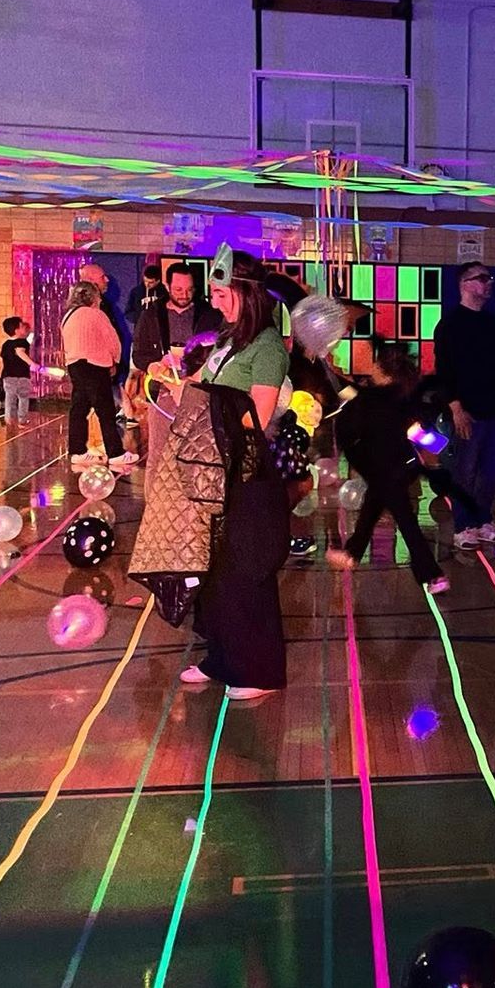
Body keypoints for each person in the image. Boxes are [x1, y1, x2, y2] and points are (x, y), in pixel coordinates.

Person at [183, 249, 291, 697]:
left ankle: (257, 671)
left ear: (245, 293)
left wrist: (208, 404)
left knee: (246, 569)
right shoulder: (229, 341)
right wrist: (174, 382)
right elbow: (199, 385)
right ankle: (221, 657)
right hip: (212, 470)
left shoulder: (267, 346)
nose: (214, 299)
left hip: (246, 473)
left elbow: (259, 416)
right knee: (213, 569)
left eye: (221, 291)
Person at [327, 345, 448, 593]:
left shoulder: (373, 399)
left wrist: (328, 370)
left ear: (384, 372)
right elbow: (417, 431)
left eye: (376, 364)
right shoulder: (399, 398)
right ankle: (352, 553)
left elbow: (349, 393)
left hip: (387, 470)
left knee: (405, 520)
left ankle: (434, 575)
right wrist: (437, 445)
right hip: (396, 469)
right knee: (372, 506)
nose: (371, 368)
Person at [433, 263, 495, 551]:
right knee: (465, 470)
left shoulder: (493, 324)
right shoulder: (450, 325)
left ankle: (483, 519)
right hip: (468, 409)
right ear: (465, 284)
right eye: (481, 279)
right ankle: (462, 525)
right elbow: (445, 370)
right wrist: (455, 407)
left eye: (489, 278)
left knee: (492, 470)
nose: (488, 283)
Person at [60, 281, 134, 472]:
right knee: (105, 410)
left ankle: (77, 451)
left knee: (79, 408)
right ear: (92, 297)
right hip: (95, 365)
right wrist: (115, 361)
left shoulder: (67, 316)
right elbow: (112, 340)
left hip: (75, 365)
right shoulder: (95, 314)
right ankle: (116, 453)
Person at [0, 316, 33, 423]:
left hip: (8, 376)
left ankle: (9, 419)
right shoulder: (23, 342)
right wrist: (32, 364)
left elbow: (2, 358)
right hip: (22, 376)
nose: (25, 328)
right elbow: (20, 352)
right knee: (23, 398)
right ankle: (22, 420)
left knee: (10, 399)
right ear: (16, 330)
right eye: (22, 326)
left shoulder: (5, 344)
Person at [124, 261, 163, 327]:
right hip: (140, 328)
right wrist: (140, 318)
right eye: (145, 281)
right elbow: (128, 312)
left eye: (151, 282)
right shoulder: (136, 291)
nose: (147, 284)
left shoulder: (164, 293)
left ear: (158, 281)